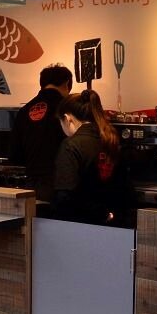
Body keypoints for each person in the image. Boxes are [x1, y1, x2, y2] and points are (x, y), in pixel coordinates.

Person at [51, 88, 130, 226]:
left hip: (80, 225)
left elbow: (65, 196)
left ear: (68, 119)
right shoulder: (111, 140)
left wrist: (100, 213)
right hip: (114, 224)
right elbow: (124, 188)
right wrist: (108, 214)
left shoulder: (71, 145)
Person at [10, 64, 73, 201]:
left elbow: (15, 154)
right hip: (61, 187)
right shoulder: (68, 110)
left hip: (31, 186)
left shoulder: (24, 111)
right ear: (67, 83)